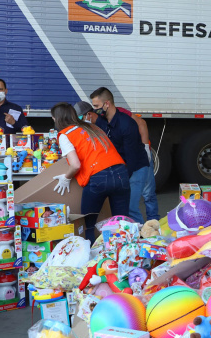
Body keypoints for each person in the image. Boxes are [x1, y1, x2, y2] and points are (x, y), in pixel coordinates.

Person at [50, 102, 130, 241]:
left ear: (57, 118)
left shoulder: (65, 134)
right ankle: (125, 251)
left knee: (88, 225)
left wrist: (66, 177)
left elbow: (75, 165)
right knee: (122, 223)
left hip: (98, 177)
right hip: (121, 173)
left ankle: (90, 252)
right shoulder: (92, 126)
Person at [89, 88, 159, 223]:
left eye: (97, 106)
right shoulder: (104, 121)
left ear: (107, 104)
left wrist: (121, 178)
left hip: (136, 168)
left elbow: (131, 158)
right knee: (122, 208)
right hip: (124, 167)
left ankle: (142, 234)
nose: (95, 110)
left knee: (131, 208)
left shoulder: (126, 124)